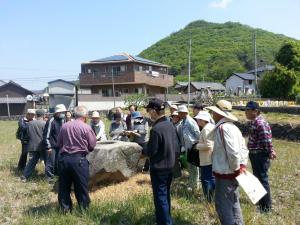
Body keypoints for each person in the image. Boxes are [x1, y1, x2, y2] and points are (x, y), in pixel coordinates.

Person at [206, 100, 248, 225]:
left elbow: (233, 152)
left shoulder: (223, 128)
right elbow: (244, 149)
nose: (212, 114)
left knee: (223, 206)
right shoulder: (234, 128)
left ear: (219, 113)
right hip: (233, 172)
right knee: (234, 203)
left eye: (214, 111)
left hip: (226, 173)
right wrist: (241, 166)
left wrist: (236, 169)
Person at [144, 98, 180, 225]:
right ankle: (166, 219)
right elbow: (177, 146)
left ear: (154, 111)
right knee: (165, 196)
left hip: (159, 168)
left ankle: (165, 222)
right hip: (171, 165)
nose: (148, 113)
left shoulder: (157, 128)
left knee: (160, 198)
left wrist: (144, 150)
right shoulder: (170, 125)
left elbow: (151, 151)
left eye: (148, 110)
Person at [57, 106, 96, 212]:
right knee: (81, 187)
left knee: (64, 187)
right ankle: (84, 210)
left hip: (64, 159)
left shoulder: (64, 126)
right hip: (79, 160)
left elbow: (59, 143)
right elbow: (92, 145)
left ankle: (65, 210)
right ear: (85, 116)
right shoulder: (86, 127)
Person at [245, 101, 276, 213]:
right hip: (255, 154)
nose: (246, 112)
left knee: (262, 180)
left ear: (256, 111)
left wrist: (270, 151)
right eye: (245, 110)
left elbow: (266, 140)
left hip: (260, 155)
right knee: (258, 179)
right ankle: (262, 204)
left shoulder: (260, 123)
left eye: (248, 110)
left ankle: (266, 207)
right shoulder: (255, 122)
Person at [177, 105, 200, 190]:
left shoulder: (190, 121)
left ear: (184, 113)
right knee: (190, 166)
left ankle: (195, 185)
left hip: (193, 147)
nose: (179, 114)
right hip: (187, 147)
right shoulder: (183, 121)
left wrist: (196, 144)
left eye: (179, 113)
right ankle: (191, 183)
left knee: (194, 167)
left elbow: (197, 133)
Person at [194, 111, 215, 202]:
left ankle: (208, 199)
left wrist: (197, 146)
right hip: (211, 158)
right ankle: (212, 198)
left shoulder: (206, 129)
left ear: (203, 120)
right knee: (211, 178)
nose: (197, 120)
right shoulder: (210, 127)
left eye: (199, 119)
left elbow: (209, 145)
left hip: (207, 159)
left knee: (206, 179)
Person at [20, 109, 46, 182]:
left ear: (36, 115)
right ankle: (49, 177)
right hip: (42, 146)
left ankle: (25, 176)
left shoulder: (29, 123)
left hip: (32, 145)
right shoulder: (44, 123)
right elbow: (46, 135)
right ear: (43, 115)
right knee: (47, 162)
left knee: (32, 162)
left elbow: (28, 134)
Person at [43, 104, 66, 183]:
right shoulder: (51, 121)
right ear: (57, 112)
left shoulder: (63, 120)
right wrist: (48, 147)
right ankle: (49, 177)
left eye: (64, 112)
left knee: (59, 161)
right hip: (52, 145)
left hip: (60, 145)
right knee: (50, 162)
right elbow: (46, 135)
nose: (64, 113)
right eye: (62, 112)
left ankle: (57, 175)